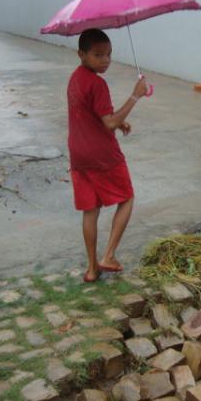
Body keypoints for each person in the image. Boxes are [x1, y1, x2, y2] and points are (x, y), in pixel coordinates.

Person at [67, 28, 147, 282]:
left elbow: (92, 114)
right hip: (103, 155)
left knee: (90, 210)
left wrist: (117, 122)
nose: (105, 60)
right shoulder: (98, 84)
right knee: (127, 198)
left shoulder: (75, 78)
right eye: (98, 55)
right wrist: (136, 95)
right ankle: (108, 256)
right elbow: (109, 123)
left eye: (109, 54)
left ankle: (92, 269)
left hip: (79, 154)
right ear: (81, 54)